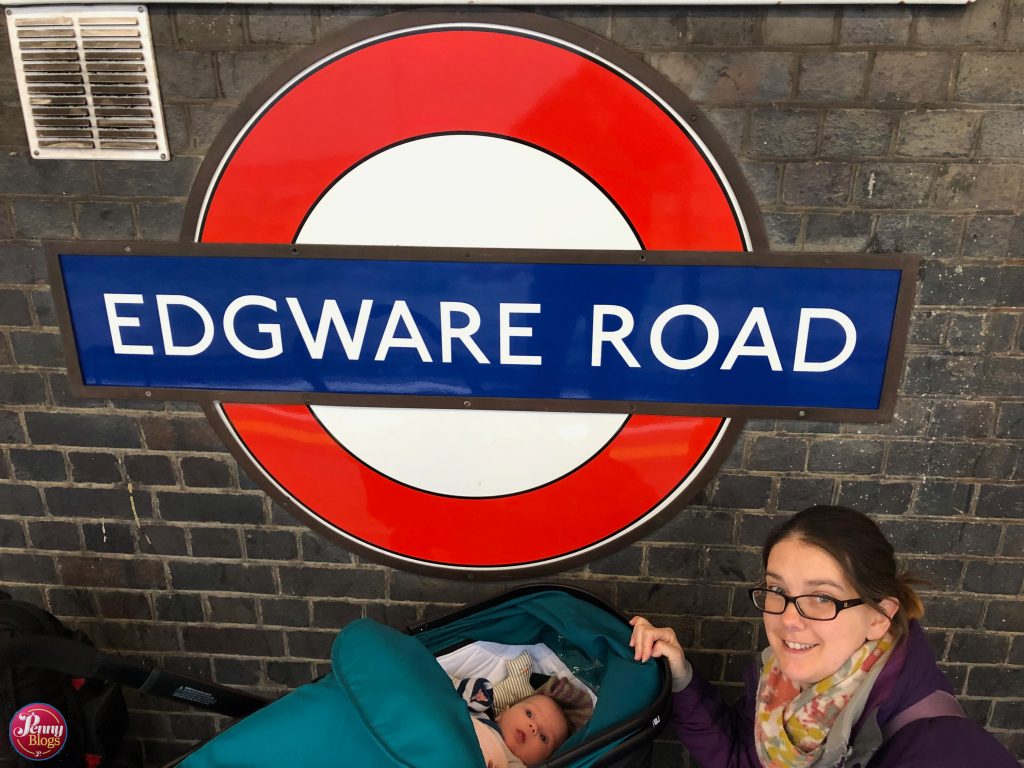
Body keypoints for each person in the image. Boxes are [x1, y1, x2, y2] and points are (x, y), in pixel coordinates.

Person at [629, 505, 1018, 768]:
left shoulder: (939, 749)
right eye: (777, 591)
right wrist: (680, 678)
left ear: (880, 617)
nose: (790, 621)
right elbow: (741, 759)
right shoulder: (780, 686)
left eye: (821, 598)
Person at [470, 693, 570, 768]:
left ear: (543, 761)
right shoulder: (476, 715)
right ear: (504, 712)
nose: (534, 727)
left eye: (543, 737)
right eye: (529, 714)